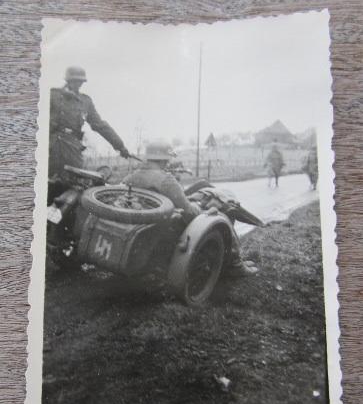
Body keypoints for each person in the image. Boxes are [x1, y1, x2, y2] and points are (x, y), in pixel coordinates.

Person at [124, 142, 257, 277]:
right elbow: (189, 210)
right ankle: (236, 265)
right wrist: (203, 207)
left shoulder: (132, 176)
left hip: (146, 224)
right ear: (164, 159)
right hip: (169, 226)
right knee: (222, 216)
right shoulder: (166, 180)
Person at [48, 66, 129, 183]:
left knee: (74, 182)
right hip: (52, 146)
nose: (78, 84)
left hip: (73, 148)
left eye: (80, 81)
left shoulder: (85, 101)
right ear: (67, 80)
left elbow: (100, 125)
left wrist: (120, 146)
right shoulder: (53, 95)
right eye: (74, 81)